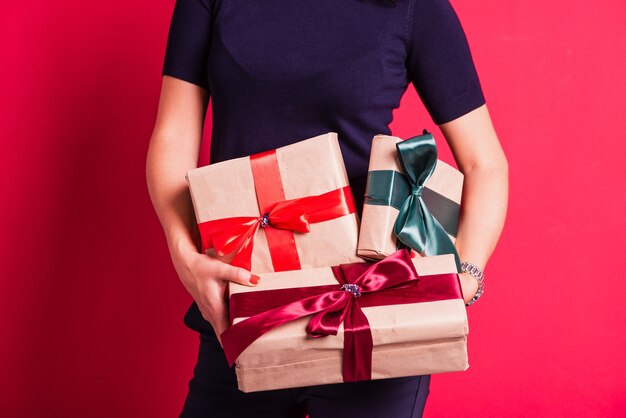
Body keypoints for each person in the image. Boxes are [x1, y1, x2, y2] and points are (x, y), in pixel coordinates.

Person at [145, 0, 508, 416]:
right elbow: (173, 136)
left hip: (372, 308)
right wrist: (185, 255)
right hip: (244, 301)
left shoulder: (414, 7)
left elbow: (485, 163)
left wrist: (467, 275)